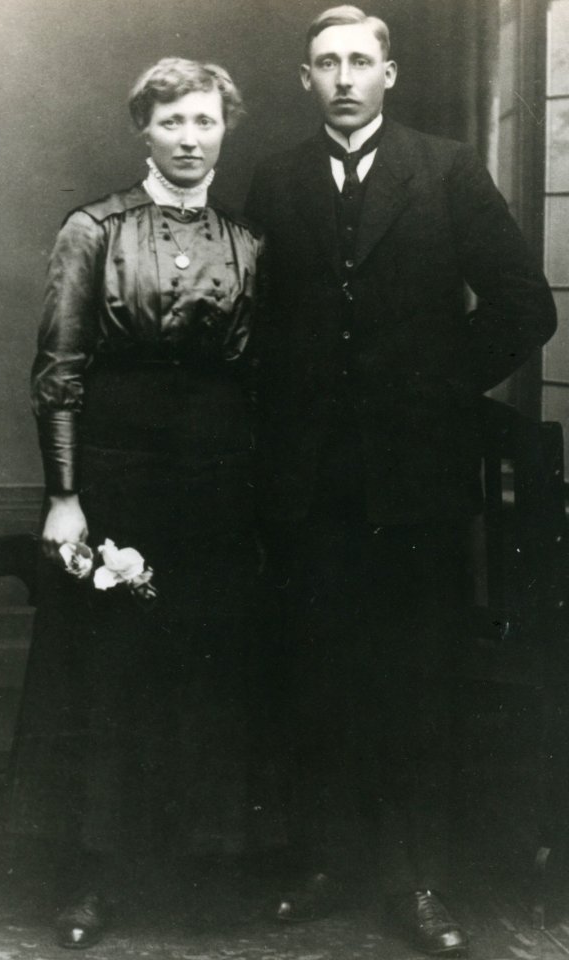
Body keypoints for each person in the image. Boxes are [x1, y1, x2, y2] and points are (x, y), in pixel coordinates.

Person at [245, 6, 557, 956]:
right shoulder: (277, 179)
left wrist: (431, 386)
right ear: (305, 79)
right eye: (326, 63)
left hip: (417, 482)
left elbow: (526, 307)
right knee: (318, 670)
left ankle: (419, 880)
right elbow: (255, 325)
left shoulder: (447, 169)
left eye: (359, 61)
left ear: (391, 74)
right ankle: (327, 862)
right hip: (310, 482)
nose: (343, 78)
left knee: (418, 677)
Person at [9, 58, 265, 949]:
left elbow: (258, 375)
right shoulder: (93, 229)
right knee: (107, 667)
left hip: (218, 477)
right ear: (143, 130)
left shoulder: (248, 242)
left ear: (225, 129)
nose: (190, 139)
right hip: (118, 471)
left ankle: (194, 871)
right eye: (172, 122)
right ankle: (91, 875)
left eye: (205, 121)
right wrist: (65, 495)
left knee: (204, 663)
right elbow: (58, 369)